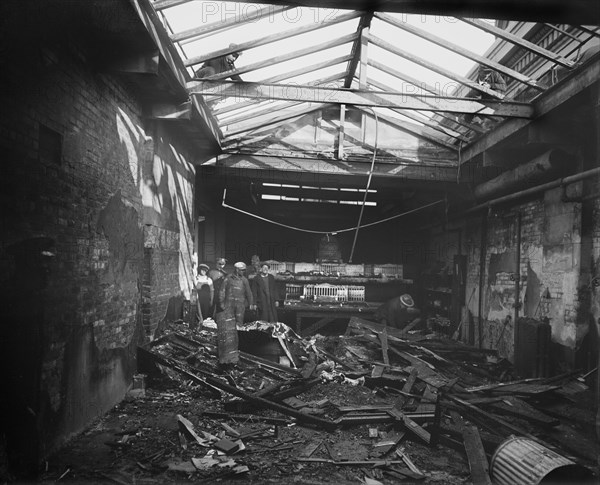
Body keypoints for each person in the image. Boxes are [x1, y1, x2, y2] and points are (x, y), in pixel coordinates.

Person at [217, 262, 256, 367]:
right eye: (242, 270)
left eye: (244, 270)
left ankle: (236, 352)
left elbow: (249, 293)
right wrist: (222, 304)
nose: (243, 272)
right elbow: (222, 291)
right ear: (236, 270)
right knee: (228, 328)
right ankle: (226, 352)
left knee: (239, 326)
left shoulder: (245, 280)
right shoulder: (228, 278)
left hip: (240, 308)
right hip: (228, 306)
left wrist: (250, 304)